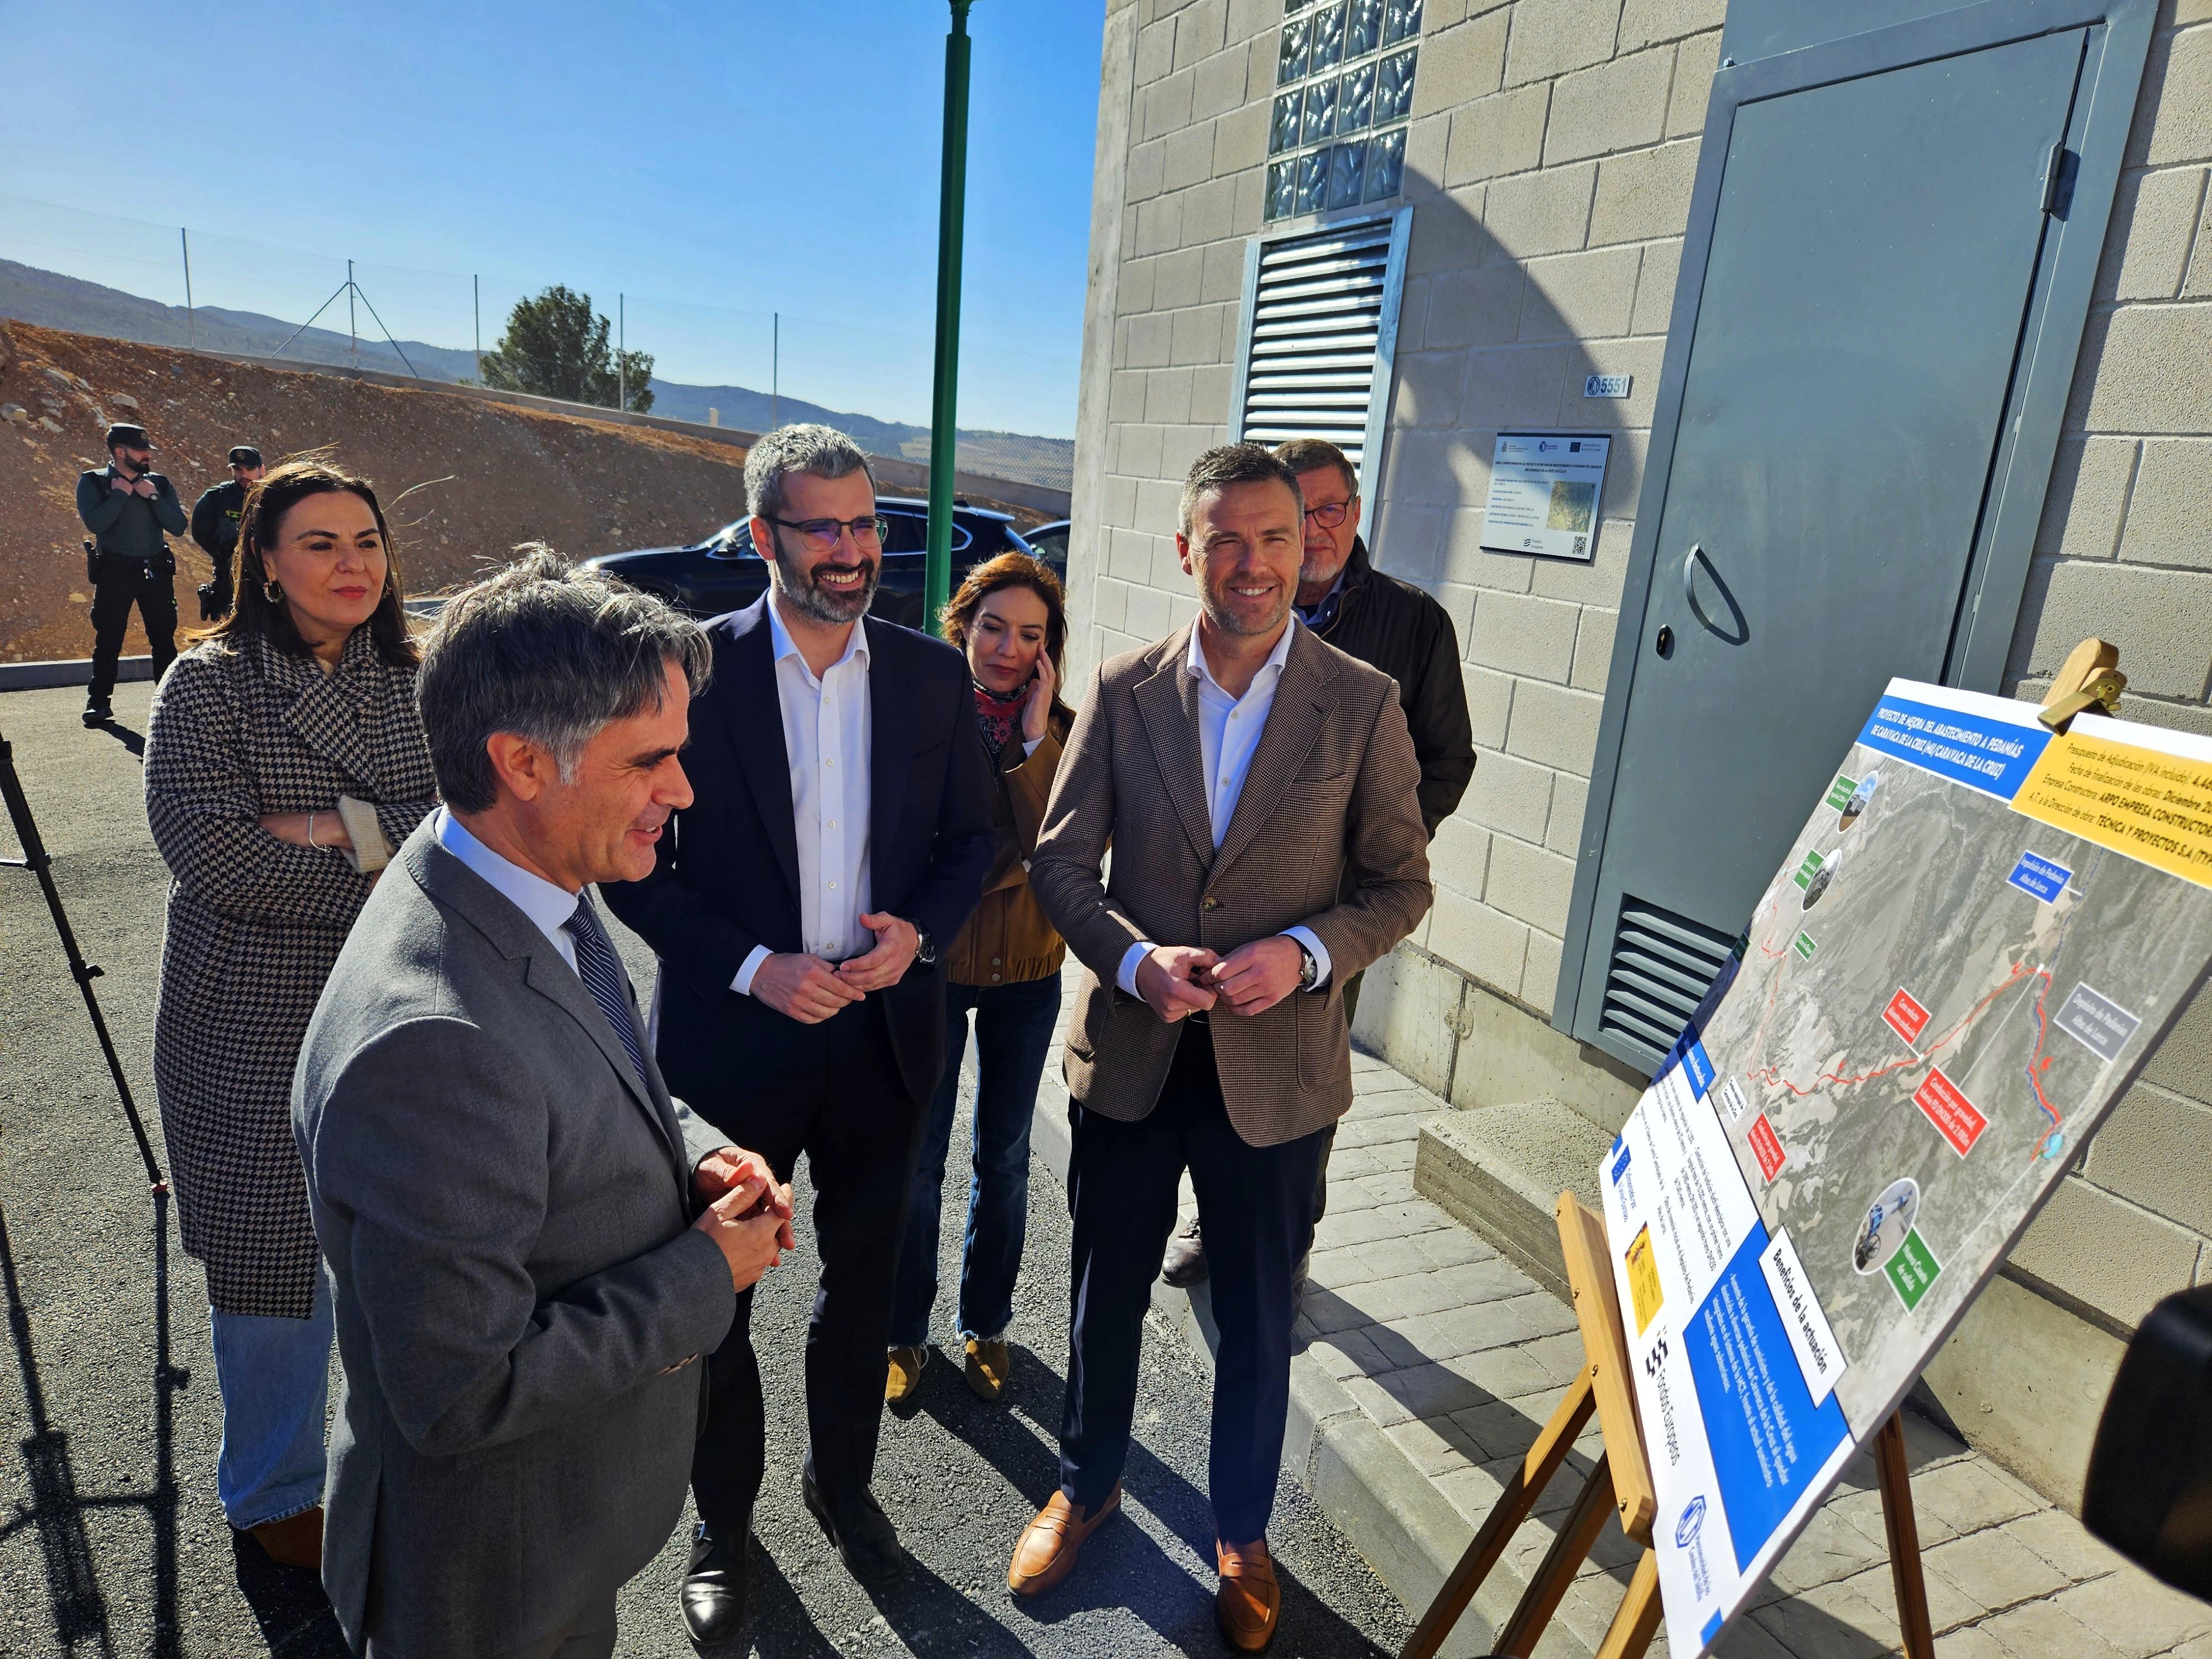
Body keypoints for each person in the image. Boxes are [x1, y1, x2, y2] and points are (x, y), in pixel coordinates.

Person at [294, 550, 795, 1659]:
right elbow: (460, 1394)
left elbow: (588, 1073)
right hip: (493, 1586)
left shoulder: (519, 884)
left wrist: (698, 1152)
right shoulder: (432, 1040)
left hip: (553, 1548)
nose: (683, 791)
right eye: (650, 761)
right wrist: (705, 1272)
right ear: (522, 761)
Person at [1012, 444, 1431, 1651]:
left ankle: (1240, 1534)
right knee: (1102, 1298)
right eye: (1226, 541)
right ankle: (1084, 1488)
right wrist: (1137, 961)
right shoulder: (1126, 686)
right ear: (1185, 548)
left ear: (1310, 551)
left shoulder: (1361, 703)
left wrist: (1302, 953)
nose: (1251, 565)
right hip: (1135, 1056)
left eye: (1276, 539)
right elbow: (1056, 861)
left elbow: (1400, 885)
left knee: (1255, 1320)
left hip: (1278, 1072)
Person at [602, 423, 995, 1644]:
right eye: (820, 527)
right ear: (763, 536)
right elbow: (628, 866)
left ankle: (846, 1484)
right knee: (714, 1297)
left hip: (885, 1042)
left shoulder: (932, 676)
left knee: (861, 1285)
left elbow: (976, 842)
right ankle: (724, 1522)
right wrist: (752, 966)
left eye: (864, 525)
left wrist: (913, 940)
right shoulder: (692, 676)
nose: (849, 551)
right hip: (734, 1045)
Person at [143, 458, 439, 1571]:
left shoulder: (419, 682)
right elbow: (213, 853)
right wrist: (385, 853)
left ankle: (383, 1469)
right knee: (269, 1266)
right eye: (319, 543)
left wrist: (322, 826)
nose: (350, 563)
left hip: (399, 1005)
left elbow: (458, 822)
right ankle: (274, 1492)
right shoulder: (208, 686)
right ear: (263, 560)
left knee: (398, 1258)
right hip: (244, 1020)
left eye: (365, 541)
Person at [1160, 435, 1477, 1290]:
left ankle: (1288, 1237)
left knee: (1306, 1071)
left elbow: (1449, 758)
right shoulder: (1239, 600)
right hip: (1227, 904)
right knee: (1214, 1055)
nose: (1314, 528)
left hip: (1333, 909)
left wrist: (1374, 848)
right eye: (1301, 512)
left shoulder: (1412, 624)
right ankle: (1210, 1212)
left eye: (1328, 509)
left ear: (1347, 516)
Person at [885, 552, 1076, 1409]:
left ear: (1048, 650)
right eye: (994, 626)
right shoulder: (919, 717)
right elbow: (919, 845)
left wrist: (1036, 737)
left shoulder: (1063, 731)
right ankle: (902, 1330)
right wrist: (1016, 860)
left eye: (1029, 634)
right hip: (935, 966)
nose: (1007, 647)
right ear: (961, 624)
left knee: (1002, 1157)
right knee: (918, 1155)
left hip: (1028, 972)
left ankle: (987, 1322)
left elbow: (1065, 844)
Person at [76, 421, 185, 726]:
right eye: (140, 450)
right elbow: (96, 524)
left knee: (163, 638)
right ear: (120, 451)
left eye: (147, 449)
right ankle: (98, 703)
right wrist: (119, 496)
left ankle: (172, 706)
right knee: (109, 638)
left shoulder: (159, 484)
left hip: (156, 569)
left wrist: (152, 498)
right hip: (115, 570)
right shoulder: (94, 482)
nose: (147, 455)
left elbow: (178, 526)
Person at [190, 444, 265, 620]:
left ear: (262, 470)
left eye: (250, 469)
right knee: (226, 639)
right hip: (227, 582)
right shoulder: (216, 498)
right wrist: (225, 556)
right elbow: (200, 532)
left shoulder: (274, 498)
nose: (244, 475)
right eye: (238, 469)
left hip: (265, 579)